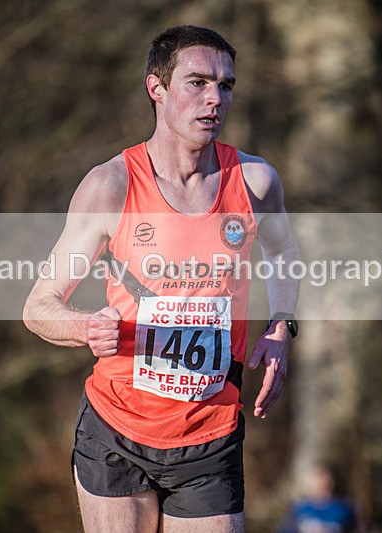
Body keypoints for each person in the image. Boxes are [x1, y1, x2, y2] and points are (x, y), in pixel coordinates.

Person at [23, 25, 300, 533]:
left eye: (226, 85)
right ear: (157, 88)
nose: (215, 98)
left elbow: (283, 250)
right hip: (117, 428)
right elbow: (39, 306)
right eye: (198, 82)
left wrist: (281, 325)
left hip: (211, 434)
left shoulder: (255, 181)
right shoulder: (111, 185)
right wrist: (86, 328)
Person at [277, 464, 356, 533]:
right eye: (316, 478)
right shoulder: (299, 508)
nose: (320, 483)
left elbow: (356, 529)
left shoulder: (344, 508)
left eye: (323, 476)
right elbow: (286, 529)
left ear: (331, 482)